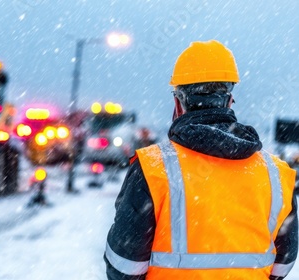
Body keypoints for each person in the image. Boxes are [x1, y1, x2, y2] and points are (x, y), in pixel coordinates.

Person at [104, 40, 298, 279]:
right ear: (229, 101)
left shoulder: (153, 168)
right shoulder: (276, 173)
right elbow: (283, 265)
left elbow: (124, 266)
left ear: (178, 103)